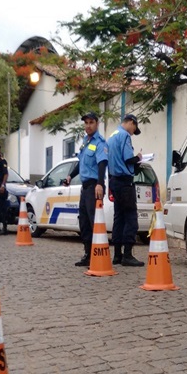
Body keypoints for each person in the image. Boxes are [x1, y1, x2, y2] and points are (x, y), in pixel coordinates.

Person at [66, 111, 108, 267]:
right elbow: (81, 163)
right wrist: (70, 176)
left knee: (94, 222)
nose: (88, 126)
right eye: (86, 123)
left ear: (97, 124)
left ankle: (98, 255)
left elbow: (102, 163)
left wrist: (100, 183)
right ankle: (88, 254)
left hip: (94, 187)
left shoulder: (100, 143)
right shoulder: (85, 141)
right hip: (85, 188)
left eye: (91, 122)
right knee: (83, 222)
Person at [106, 113, 144, 266]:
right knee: (131, 218)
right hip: (125, 183)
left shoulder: (112, 136)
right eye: (134, 129)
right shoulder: (125, 136)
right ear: (131, 123)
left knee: (119, 218)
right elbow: (128, 159)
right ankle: (127, 255)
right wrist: (139, 157)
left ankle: (117, 255)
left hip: (114, 181)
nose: (133, 132)